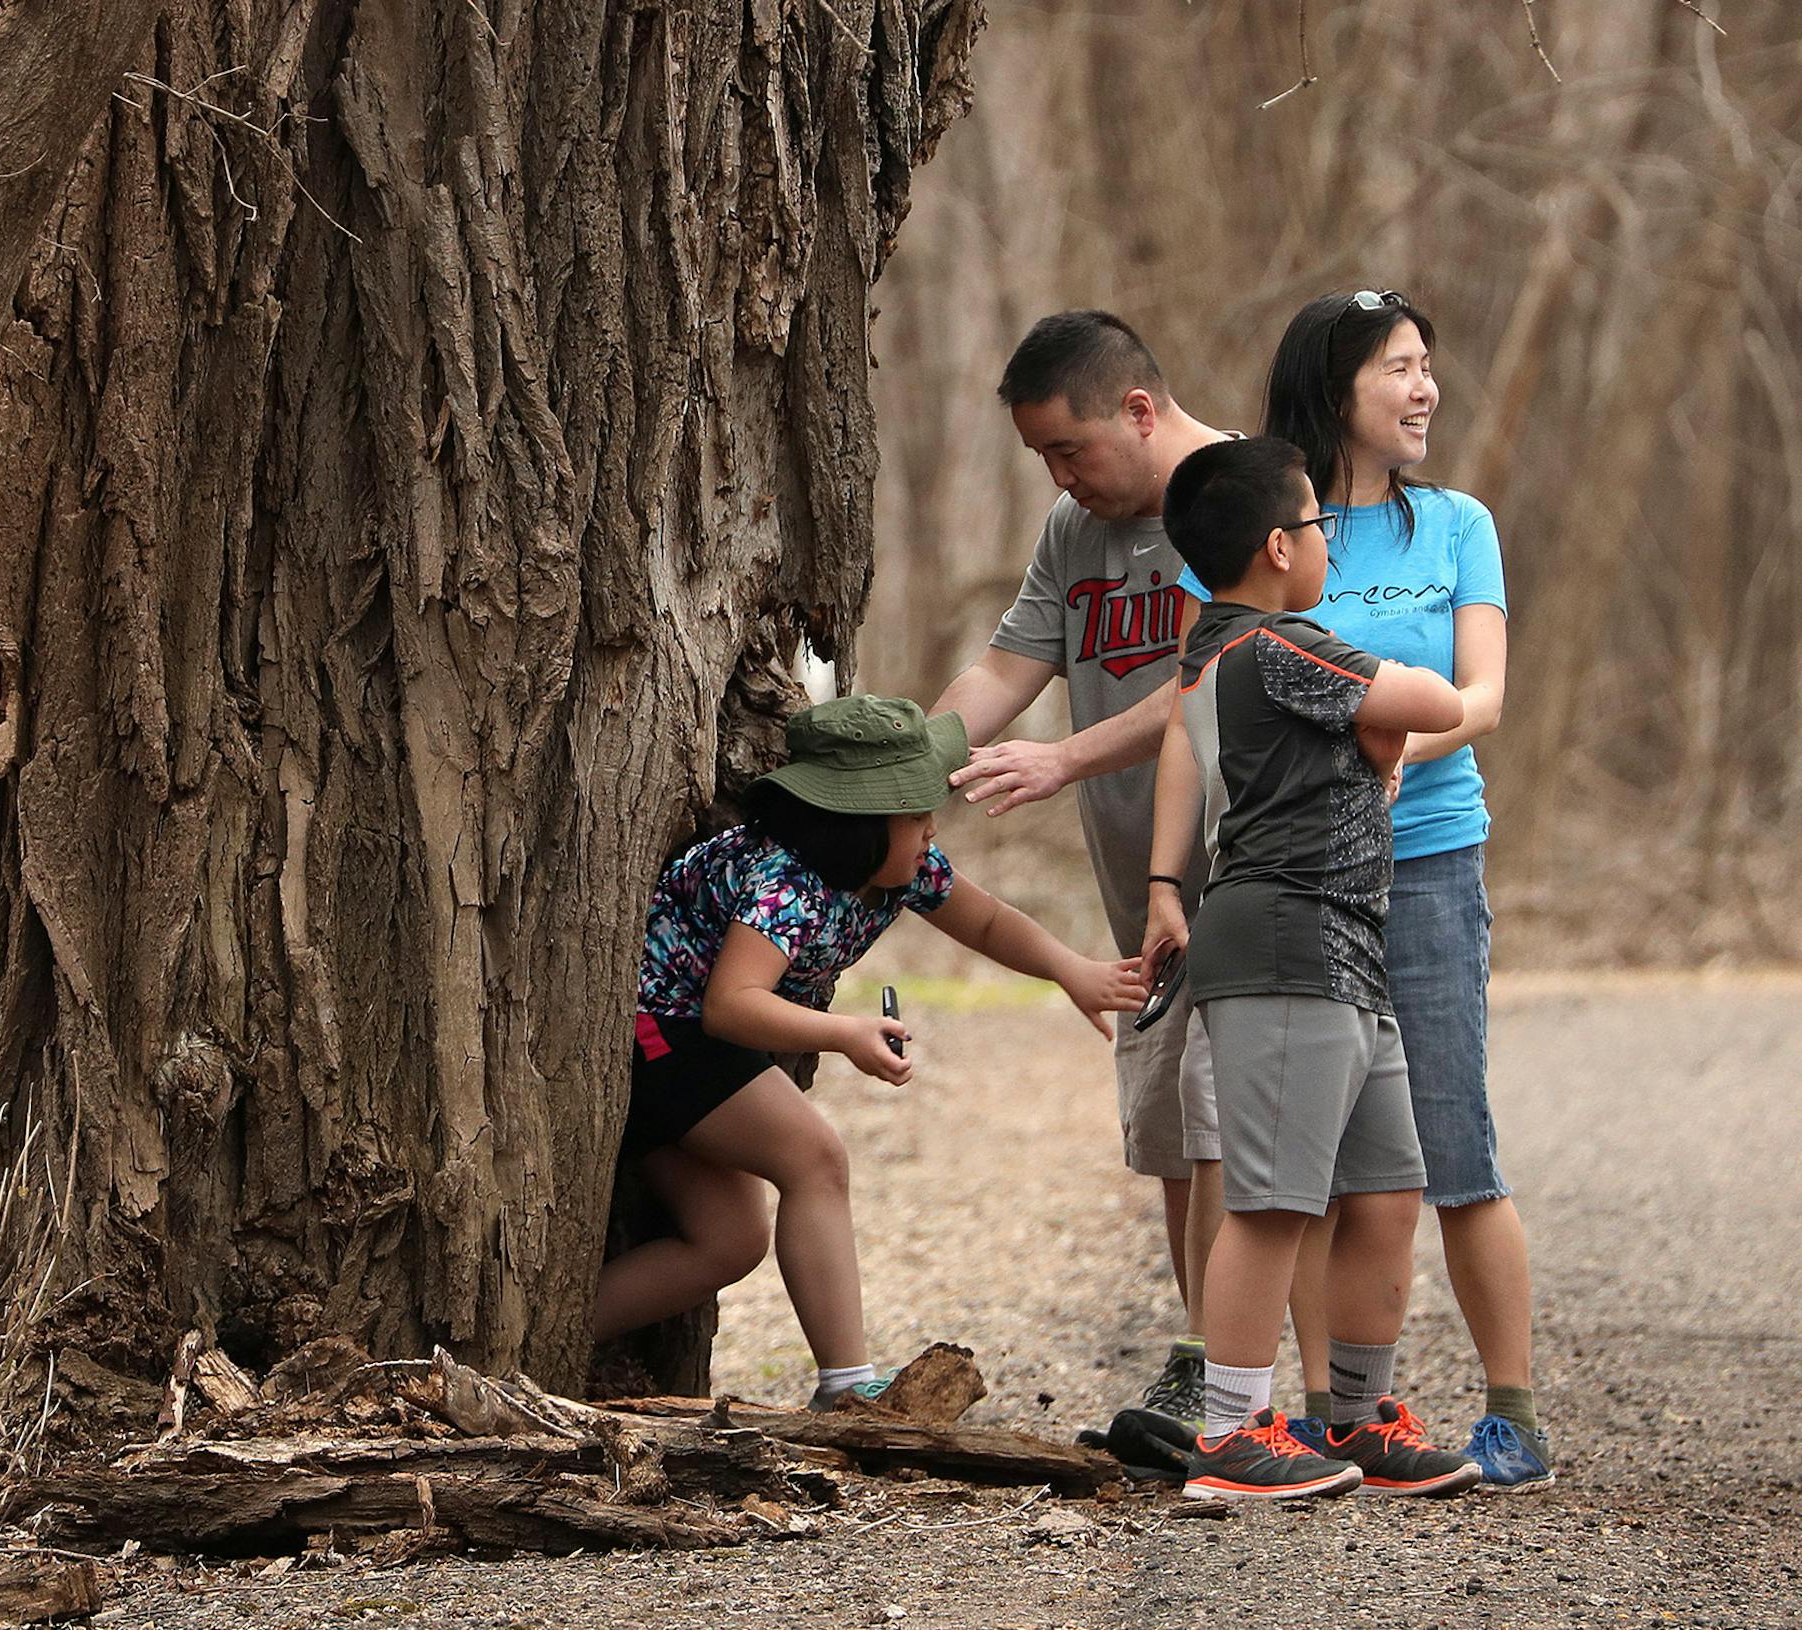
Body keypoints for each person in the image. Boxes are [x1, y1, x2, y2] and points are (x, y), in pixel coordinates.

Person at [592, 695, 1149, 1411]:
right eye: (915, 813)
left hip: (699, 1035)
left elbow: (985, 920)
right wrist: (845, 1032)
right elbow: (732, 1004)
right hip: (663, 1032)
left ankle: (557, 1345)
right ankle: (847, 1387)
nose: (929, 829)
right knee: (815, 1157)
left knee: (728, 1240)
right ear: (858, 819)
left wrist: (1070, 969)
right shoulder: (785, 882)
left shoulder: (901, 866)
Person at [1240, 289, 1547, 1491]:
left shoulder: (1459, 523)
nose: (1424, 389)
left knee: (1455, 1148)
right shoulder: (1280, 525)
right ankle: (1329, 1416)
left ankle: (1512, 1412)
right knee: (1314, 1160)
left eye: (1429, 364)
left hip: (1427, 863)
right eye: (1399, 369)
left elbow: (1482, 698)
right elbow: (1228, 666)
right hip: (1304, 876)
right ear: (1336, 390)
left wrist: (1391, 747)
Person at [1149, 436, 1478, 1500]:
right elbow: (1436, 702)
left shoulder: (1229, 647)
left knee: (1386, 1184)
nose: (1330, 546)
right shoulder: (1275, 645)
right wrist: (1393, 718)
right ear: (1280, 545)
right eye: (1321, 527)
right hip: (1287, 938)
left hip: (1345, 941)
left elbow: (1377, 738)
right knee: (1276, 1199)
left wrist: (1375, 745)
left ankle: (1353, 1414)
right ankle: (1233, 1433)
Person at [932, 311, 1231, 1427]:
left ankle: (1219, 1367)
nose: (1061, 476)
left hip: (1241, 869)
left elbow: (1214, 669)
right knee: (1170, 1134)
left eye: (1072, 449)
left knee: (1219, 1116)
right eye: (1044, 458)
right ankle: (1207, 1360)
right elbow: (1009, 665)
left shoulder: (1242, 495)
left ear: (1140, 411)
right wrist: (904, 763)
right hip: (1133, 890)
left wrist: (1063, 755)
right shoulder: (1075, 528)